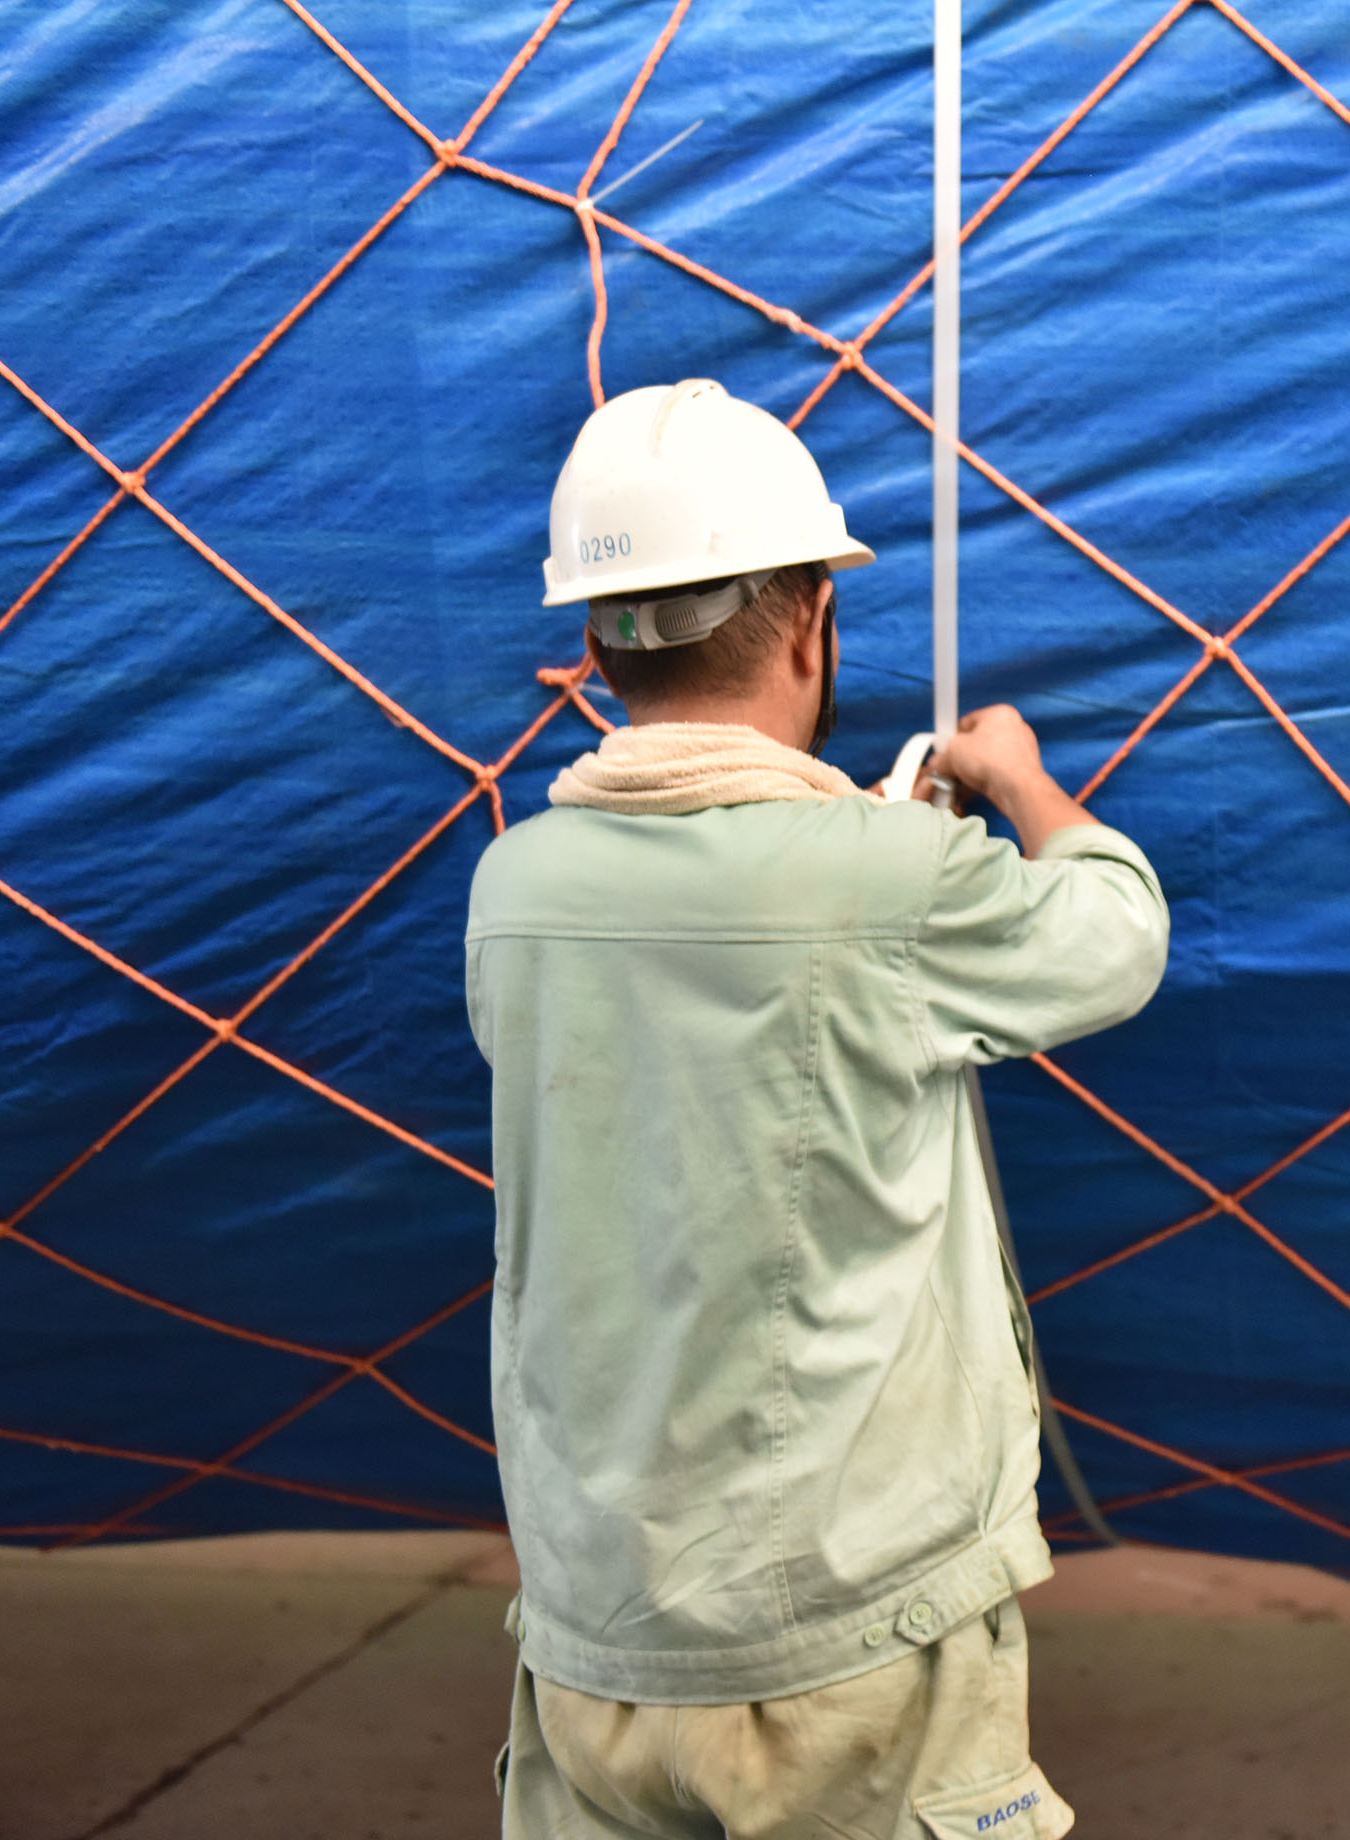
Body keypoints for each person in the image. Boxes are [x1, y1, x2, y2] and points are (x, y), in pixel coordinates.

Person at [467, 379, 1166, 1840]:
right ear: (809, 620)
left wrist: (868, 860)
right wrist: (1020, 784)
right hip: (849, 1634)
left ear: (594, 644)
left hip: (594, 1628)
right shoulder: (888, 880)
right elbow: (1114, 937)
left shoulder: (513, 887)